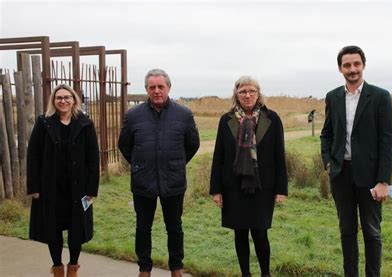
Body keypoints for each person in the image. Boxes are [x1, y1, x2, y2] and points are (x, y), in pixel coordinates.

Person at [320, 45, 392, 276]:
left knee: (372, 232)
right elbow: (326, 133)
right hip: (341, 175)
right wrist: (329, 162)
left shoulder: (380, 97)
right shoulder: (333, 97)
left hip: (370, 177)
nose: (352, 69)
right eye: (347, 65)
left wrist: (383, 181)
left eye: (356, 64)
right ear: (340, 68)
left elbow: (387, 141)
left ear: (363, 65)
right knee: (347, 231)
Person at [118, 68, 200, 277]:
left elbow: (192, 145)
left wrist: (176, 163)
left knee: (174, 228)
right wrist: (140, 164)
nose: (156, 91)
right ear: (146, 89)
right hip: (143, 182)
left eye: (160, 86)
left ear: (168, 88)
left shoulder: (184, 114)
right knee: (143, 228)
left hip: (173, 182)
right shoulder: (133, 115)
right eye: (152, 87)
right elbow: (125, 145)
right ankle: (144, 268)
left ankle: (176, 268)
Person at [210, 76, 288, 276]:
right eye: (243, 91)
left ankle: (265, 273)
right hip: (233, 186)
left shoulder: (272, 118)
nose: (247, 95)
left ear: (258, 93)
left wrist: (281, 189)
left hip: (263, 185)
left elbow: (280, 155)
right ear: (236, 94)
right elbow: (219, 155)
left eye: (252, 91)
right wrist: (216, 190)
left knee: (260, 232)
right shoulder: (226, 120)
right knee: (240, 233)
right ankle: (245, 273)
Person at [27, 84, 100, 277]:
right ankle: (58, 268)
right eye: (59, 98)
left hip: (78, 188)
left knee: (77, 230)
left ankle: (73, 267)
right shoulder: (44, 123)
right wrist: (33, 186)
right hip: (50, 187)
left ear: (74, 100)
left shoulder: (85, 124)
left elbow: (93, 158)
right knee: (53, 229)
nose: (63, 101)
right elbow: (33, 155)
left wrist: (92, 189)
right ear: (54, 101)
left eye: (67, 97)